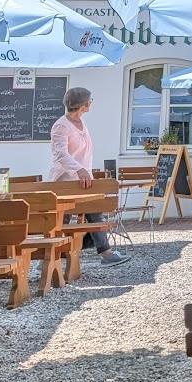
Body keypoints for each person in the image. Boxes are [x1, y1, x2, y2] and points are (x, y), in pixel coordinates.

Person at [49, 87, 128, 267]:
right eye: (90, 100)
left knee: (95, 210)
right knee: (63, 219)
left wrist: (86, 172)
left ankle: (106, 253)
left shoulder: (81, 123)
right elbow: (60, 154)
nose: (91, 103)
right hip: (66, 181)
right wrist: (79, 170)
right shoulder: (61, 125)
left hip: (84, 180)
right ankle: (51, 257)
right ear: (83, 104)